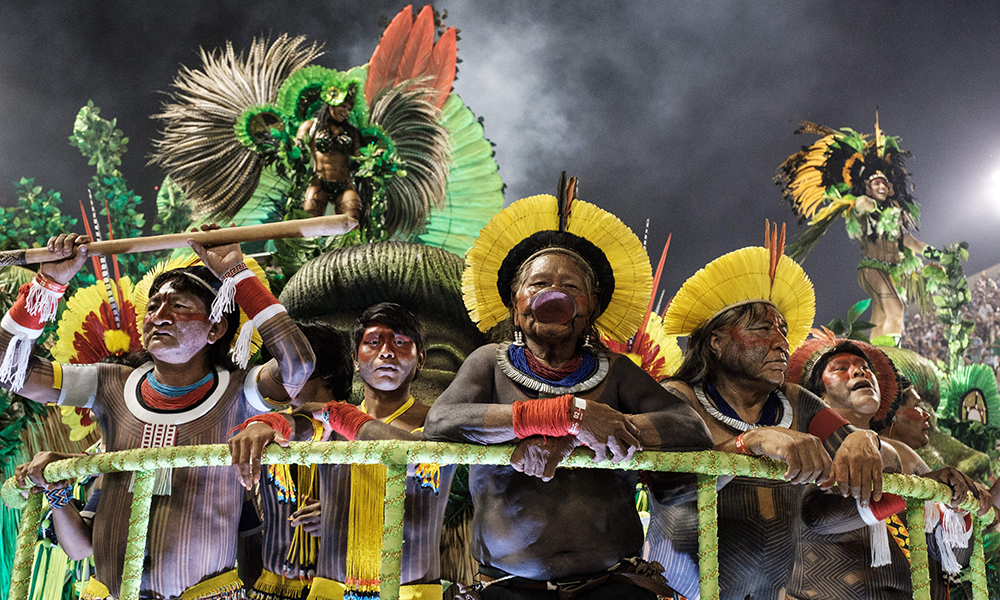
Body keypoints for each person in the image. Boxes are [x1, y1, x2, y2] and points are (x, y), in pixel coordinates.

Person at [424, 188, 714, 600]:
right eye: (539, 284)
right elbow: (440, 423)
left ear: (590, 306)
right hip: (507, 587)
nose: (553, 296)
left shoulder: (617, 372)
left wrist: (589, 431)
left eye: (570, 287)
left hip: (612, 584)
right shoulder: (488, 363)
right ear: (515, 304)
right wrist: (563, 416)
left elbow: (689, 427)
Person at [8, 228, 315, 600]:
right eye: (152, 307)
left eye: (179, 306)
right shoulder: (109, 384)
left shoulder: (240, 392)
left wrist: (236, 271)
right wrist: (48, 283)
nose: (159, 316)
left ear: (216, 328)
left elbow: (298, 365)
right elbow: (12, 371)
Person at [643, 224, 891, 600]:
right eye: (762, 329)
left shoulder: (797, 401)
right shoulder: (679, 397)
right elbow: (668, 486)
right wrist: (750, 442)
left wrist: (865, 440)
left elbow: (832, 493)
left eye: (784, 331)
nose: (781, 343)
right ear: (716, 342)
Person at [236, 302, 457, 600]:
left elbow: (414, 457)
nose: (386, 352)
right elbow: (294, 424)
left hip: (411, 592)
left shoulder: (439, 422)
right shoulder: (327, 420)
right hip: (328, 591)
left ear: (421, 359)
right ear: (355, 359)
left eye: (400, 342)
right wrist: (264, 423)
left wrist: (342, 417)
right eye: (373, 342)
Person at [786, 339, 992, 600]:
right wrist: (910, 491)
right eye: (841, 368)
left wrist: (958, 508)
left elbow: (952, 556)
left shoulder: (905, 455)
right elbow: (817, 518)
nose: (859, 372)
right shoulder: (807, 445)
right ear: (819, 395)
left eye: (865, 367)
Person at [776, 120, 930, 340]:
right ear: (867, 188)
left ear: (890, 189)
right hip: (872, 268)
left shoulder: (894, 220)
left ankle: (876, 352)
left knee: (880, 316)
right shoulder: (865, 207)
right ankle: (891, 356)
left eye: (884, 183)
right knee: (896, 310)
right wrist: (863, 202)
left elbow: (912, 243)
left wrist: (941, 255)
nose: (881, 186)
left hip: (887, 272)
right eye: (876, 183)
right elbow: (859, 205)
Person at [236, 321, 355, 600]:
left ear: (326, 373)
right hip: (267, 588)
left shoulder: (358, 432)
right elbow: (248, 523)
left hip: (340, 590)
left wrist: (341, 519)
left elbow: (396, 516)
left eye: (292, 368)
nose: (282, 377)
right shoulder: (267, 431)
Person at [298, 82, 363, 220]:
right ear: (332, 103)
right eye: (343, 106)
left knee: (352, 219)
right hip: (320, 182)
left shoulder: (352, 132)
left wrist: (374, 158)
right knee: (310, 219)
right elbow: (298, 144)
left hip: (344, 183)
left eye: (349, 109)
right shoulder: (310, 126)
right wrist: (294, 146)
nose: (346, 112)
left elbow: (360, 157)